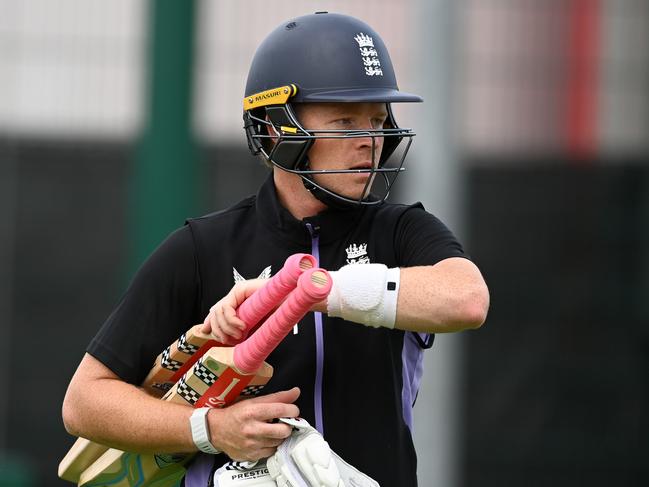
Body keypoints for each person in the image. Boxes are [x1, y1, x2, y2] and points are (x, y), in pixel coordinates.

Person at [62, 12, 489, 487]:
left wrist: (317, 287)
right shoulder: (201, 247)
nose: (369, 140)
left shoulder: (402, 230)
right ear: (274, 129)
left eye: (376, 119)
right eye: (345, 120)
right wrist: (211, 431)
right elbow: (84, 402)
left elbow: (466, 299)